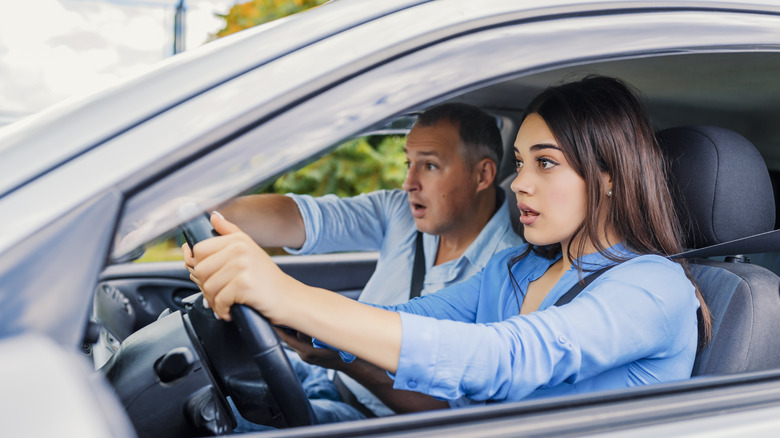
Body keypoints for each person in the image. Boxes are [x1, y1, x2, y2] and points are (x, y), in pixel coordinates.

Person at [185, 76, 711, 414]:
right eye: (521, 162)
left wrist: (290, 294)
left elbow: (501, 361)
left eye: (545, 163)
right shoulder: (518, 268)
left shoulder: (653, 286)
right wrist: (299, 325)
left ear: (612, 176)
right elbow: (408, 320)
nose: (520, 183)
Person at [214, 102, 524, 424]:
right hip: (321, 375)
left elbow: (455, 418)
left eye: (429, 166)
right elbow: (303, 218)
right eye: (408, 163)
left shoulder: (511, 278)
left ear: (483, 174)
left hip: (370, 419)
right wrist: (195, 208)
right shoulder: (401, 212)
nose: (409, 183)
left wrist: (348, 360)